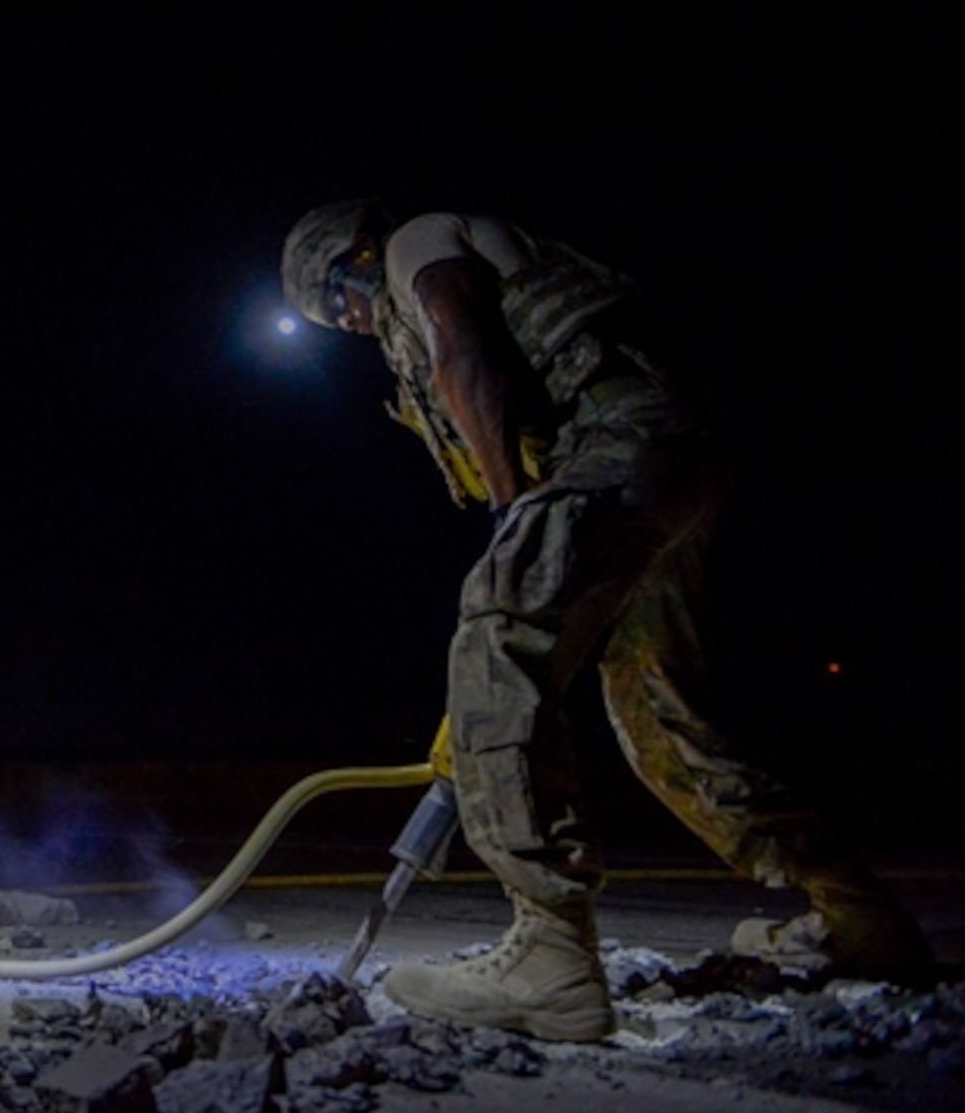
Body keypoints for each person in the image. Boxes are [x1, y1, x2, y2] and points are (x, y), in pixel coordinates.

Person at [280, 201, 932, 1042]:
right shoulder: (420, 272)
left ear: (356, 257)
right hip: (669, 463)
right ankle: (859, 913)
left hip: (618, 441)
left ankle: (550, 956)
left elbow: (459, 342)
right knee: (659, 716)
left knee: (495, 626)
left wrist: (515, 513)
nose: (356, 325)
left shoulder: (416, 245)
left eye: (344, 304)